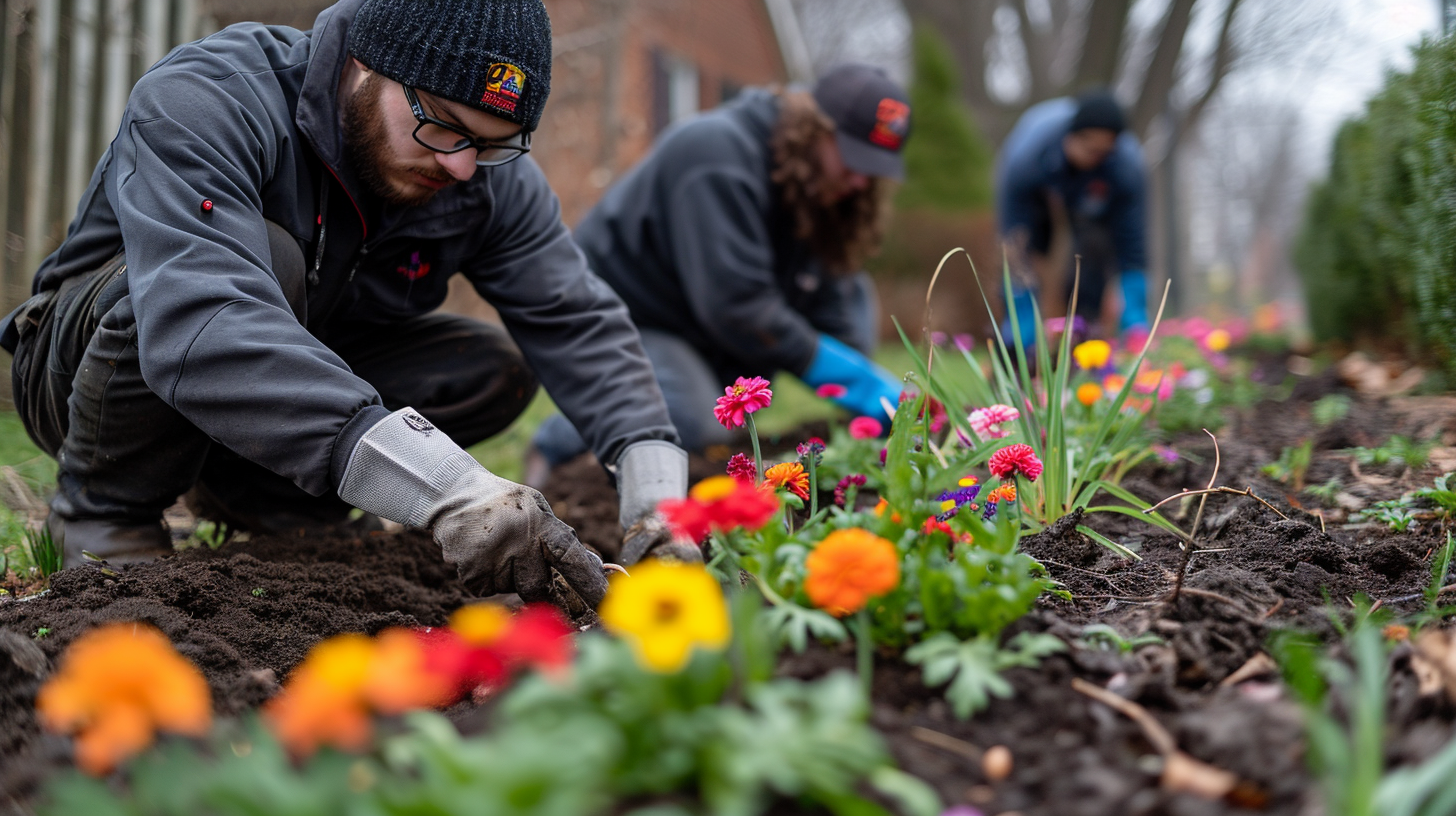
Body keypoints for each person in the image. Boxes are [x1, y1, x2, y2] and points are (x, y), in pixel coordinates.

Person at [0, 0, 695, 606]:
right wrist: (444, 485)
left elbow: (576, 319)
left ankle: (271, 501)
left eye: (488, 145)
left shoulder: (477, 175)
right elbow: (202, 321)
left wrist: (656, 495)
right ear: (364, 65)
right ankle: (104, 512)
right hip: (94, 367)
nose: (459, 166)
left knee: (488, 364)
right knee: (265, 261)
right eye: (444, 126)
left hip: (287, 384)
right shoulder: (213, 96)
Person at [529, 63, 909, 475]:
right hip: (623, 310)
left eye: (872, 170)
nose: (859, 181)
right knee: (694, 424)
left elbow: (829, 298)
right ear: (815, 130)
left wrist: (868, 389)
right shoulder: (716, 153)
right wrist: (845, 376)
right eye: (853, 160)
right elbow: (738, 306)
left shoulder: (820, 184)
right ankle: (555, 451)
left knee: (855, 290)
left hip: (699, 322)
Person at [996, 88, 1147, 342]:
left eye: (1104, 152)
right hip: (1039, 192)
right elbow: (1015, 239)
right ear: (1071, 138)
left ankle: (1085, 334)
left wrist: (1136, 322)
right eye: (1090, 151)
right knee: (1026, 252)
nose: (1096, 158)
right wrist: (1021, 326)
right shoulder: (1027, 158)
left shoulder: (1126, 166)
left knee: (1093, 252)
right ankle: (1021, 338)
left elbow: (1132, 247)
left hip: (1096, 201)